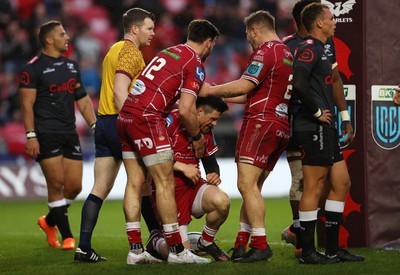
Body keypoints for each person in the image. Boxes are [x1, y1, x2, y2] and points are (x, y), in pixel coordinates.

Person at [116, 19, 220, 264]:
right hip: (148, 117)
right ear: (209, 43)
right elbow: (186, 110)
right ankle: (177, 250)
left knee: (134, 183)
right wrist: (196, 138)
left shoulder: (170, 51)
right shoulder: (194, 62)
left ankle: (135, 251)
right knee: (164, 182)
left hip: (126, 116)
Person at [199, 10, 293, 263]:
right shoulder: (286, 52)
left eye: (248, 35)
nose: (249, 41)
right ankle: (242, 242)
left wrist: (209, 90)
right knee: (253, 188)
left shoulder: (265, 51)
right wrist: (218, 96)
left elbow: (244, 85)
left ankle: (260, 244)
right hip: (280, 124)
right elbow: (250, 94)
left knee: (246, 186)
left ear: (254, 31)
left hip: (261, 122)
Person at [73, 8, 159, 263]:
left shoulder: (113, 49)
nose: (153, 33)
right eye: (149, 28)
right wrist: (131, 122)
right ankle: (148, 243)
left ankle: (84, 248)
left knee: (100, 188)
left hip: (104, 123)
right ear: (135, 29)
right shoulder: (131, 52)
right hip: (121, 122)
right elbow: (120, 91)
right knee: (141, 185)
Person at [280, 0, 355, 258]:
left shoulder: (324, 47)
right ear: (319, 23)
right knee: (313, 185)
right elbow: (298, 81)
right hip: (310, 125)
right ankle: (308, 251)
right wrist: (314, 111)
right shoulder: (308, 48)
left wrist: (341, 115)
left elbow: (332, 81)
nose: (335, 22)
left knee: (341, 182)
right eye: (331, 18)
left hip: (326, 126)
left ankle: (333, 250)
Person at [18, 20, 97, 250]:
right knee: (56, 184)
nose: (67, 37)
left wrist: (94, 125)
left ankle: (49, 221)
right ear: (49, 39)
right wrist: (31, 135)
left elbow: (82, 99)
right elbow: (26, 105)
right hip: (45, 133)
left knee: (74, 187)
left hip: (69, 132)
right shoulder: (32, 68)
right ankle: (68, 237)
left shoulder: (72, 66)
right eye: (62, 34)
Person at [146, 96, 231, 262]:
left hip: (193, 186)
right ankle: (156, 242)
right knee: (180, 255)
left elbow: (210, 161)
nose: (214, 124)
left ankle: (205, 242)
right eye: (212, 119)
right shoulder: (171, 120)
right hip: (168, 190)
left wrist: (214, 174)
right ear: (199, 112)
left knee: (222, 202)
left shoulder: (205, 131)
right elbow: (153, 153)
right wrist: (182, 167)